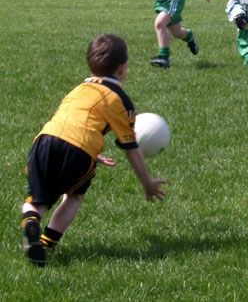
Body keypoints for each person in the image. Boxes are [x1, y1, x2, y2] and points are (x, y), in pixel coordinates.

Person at [21, 34, 166, 266]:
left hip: (45, 140)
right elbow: (131, 148)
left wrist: (91, 151)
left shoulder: (79, 88)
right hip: (79, 151)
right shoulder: (119, 100)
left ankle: (31, 219)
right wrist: (146, 182)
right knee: (74, 195)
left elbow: (71, 123)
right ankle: (47, 243)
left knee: (37, 200)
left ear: (90, 65)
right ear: (123, 67)